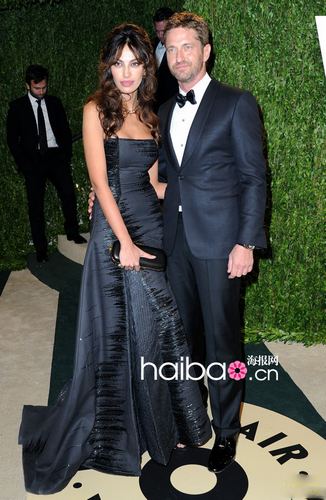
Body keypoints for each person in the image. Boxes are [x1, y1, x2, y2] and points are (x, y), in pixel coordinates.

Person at [18, 24, 211, 495]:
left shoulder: (150, 113)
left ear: (147, 65)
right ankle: (129, 433)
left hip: (150, 227)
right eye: (118, 63)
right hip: (115, 234)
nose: (126, 73)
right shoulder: (92, 111)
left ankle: (162, 428)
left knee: (151, 328)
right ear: (108, 67)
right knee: (139, 327)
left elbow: (153, 181)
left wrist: (202, 194)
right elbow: (102, 185)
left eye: (135, 62)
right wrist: (123, 242)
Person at [159, 12, 267, 473]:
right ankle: (192, 420)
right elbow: (166, 176)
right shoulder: (165, 111)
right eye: (173, 48)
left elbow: (254, 178)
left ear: (206, 51)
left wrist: (246, 242)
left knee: (224, 343)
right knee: (185, 341)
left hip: (222, 244)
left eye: (189, 47)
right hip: (176, 242)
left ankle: (226, 432)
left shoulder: (236, 103)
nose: (180, 56)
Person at [6, 64, 86, 263]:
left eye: (44, 88)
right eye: (37, 88)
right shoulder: (17, 107)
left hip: (55, 156)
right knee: (36, 206)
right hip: (33, 162)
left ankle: (72, 232)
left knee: (68, 193)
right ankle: (41, 249)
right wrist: (24, 165)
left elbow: (65, 131)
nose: (41, 92)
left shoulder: (54, 102)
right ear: (28, 85)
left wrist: (65, 154)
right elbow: (11, 140)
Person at [152, 7, 178, 109]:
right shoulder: (151, 45)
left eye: (163, 31)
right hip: (152, 107)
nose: (160, 35)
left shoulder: (180, 50)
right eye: (157, 31)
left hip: (172, 106)